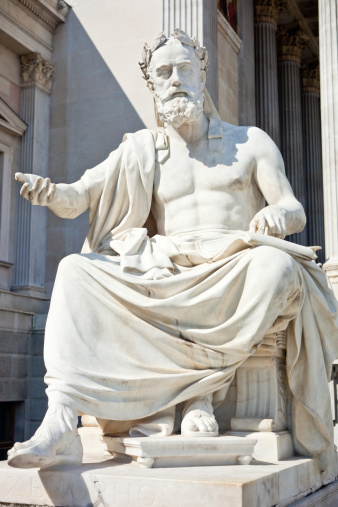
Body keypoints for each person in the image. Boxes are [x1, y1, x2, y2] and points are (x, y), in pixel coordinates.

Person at [8, 29, 338, 471]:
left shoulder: (250, 142)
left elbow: (292, 207)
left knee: (277, 267)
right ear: (153, 86)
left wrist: (278, 216)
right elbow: (79, 195)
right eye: (164, 73)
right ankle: (62, 415)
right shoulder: (143, 150)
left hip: (233, 263)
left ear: (202, 75)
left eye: (185, 69)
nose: (176, 79)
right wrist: (50, 193)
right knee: (74, 270)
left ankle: (199, 394)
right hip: (165, 266)